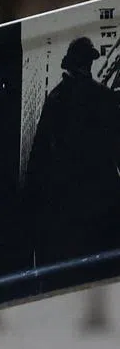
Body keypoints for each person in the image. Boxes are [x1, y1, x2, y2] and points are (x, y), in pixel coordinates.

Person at [25, 36, 120, 263]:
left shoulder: (56, 100)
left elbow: (39, 158)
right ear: (87, 64)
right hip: (103, 202)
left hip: (69, 206)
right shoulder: (104, 97)